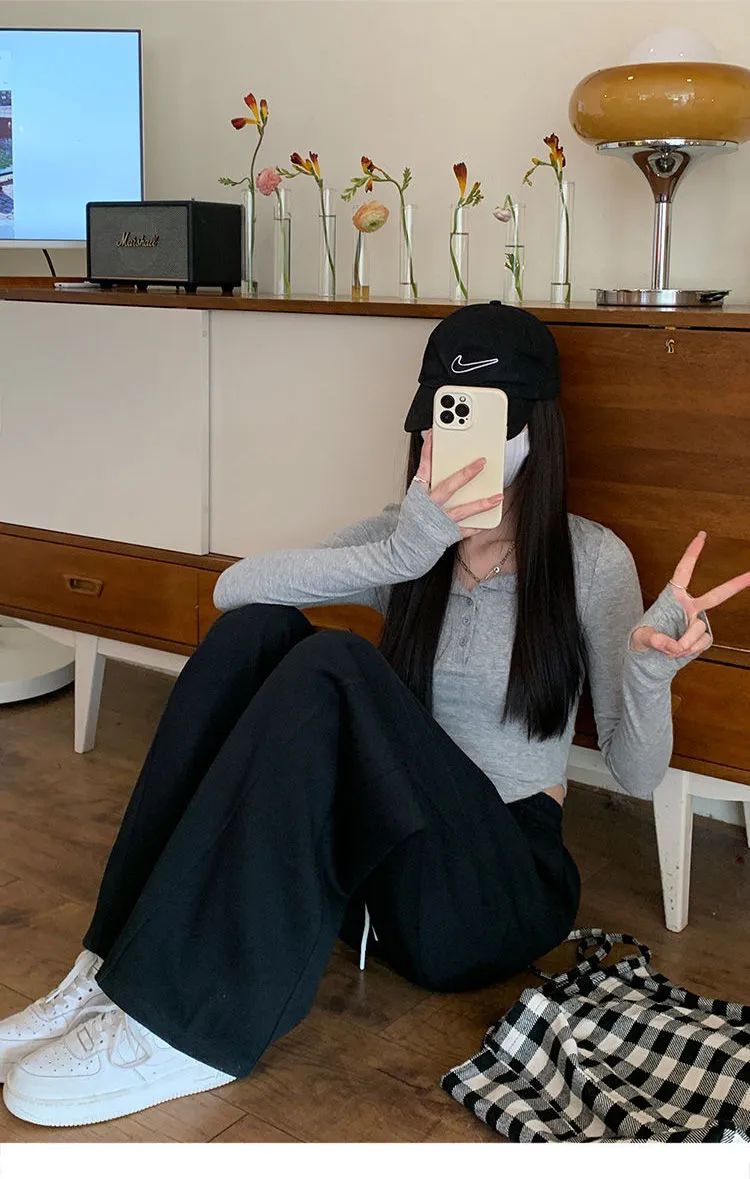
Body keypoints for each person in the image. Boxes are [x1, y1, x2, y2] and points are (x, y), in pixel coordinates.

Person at [1, 302, 747, 1129]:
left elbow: (638, 774)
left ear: (534, 430)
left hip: (496, 890)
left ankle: (192, 1025)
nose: (455, 444)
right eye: (442, 419)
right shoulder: (407, 540)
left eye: (481, 422)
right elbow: (233, 592)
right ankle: (108, 969)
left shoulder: (591, 559)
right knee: (257, 635)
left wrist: (647, 673)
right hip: (392, 870)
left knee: (335, 662)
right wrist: (404, 551)